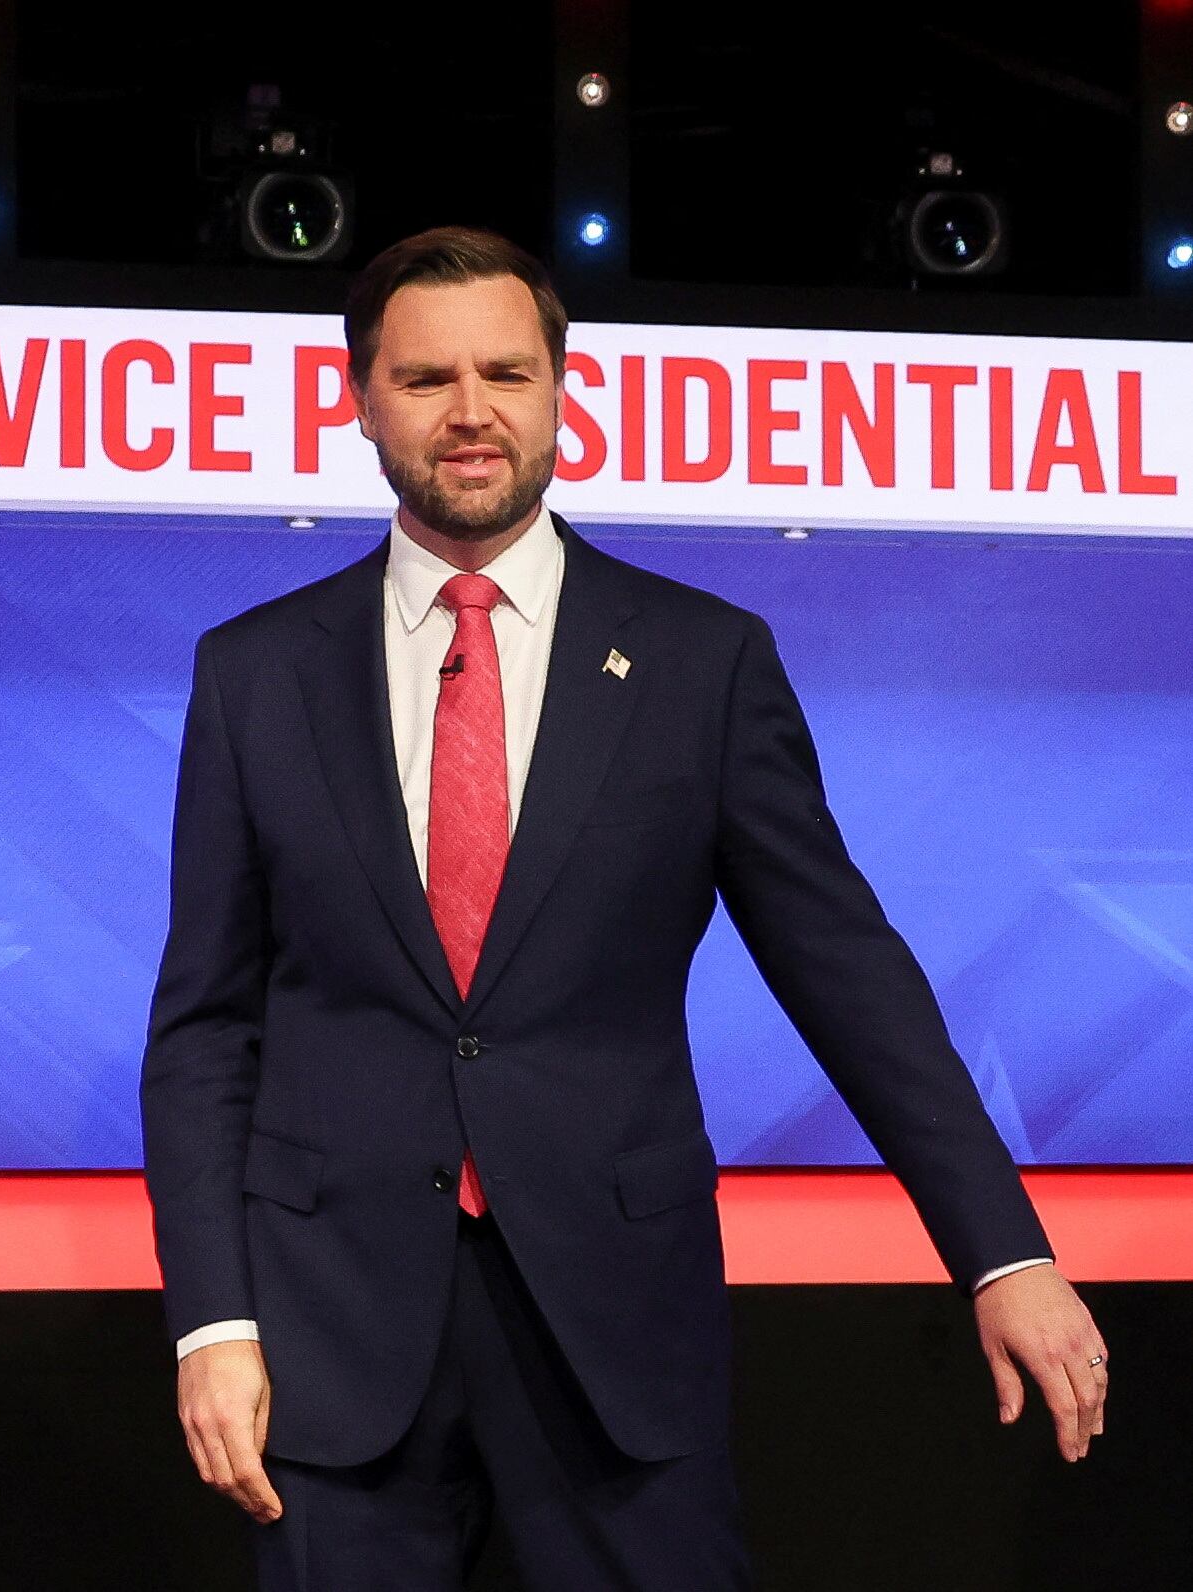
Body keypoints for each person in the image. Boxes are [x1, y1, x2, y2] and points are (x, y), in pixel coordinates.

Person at [138, 225, 1109, 1591]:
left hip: (614, 1330)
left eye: (504, 374)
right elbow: (203, 1030)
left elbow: (846, 974)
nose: (470, 413)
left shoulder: (700, 664)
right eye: (425, 380)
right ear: (357, 399)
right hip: (327, 1337)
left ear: (558, 389)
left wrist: (999, 1250)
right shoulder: (251, 677)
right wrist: (210, 1325)